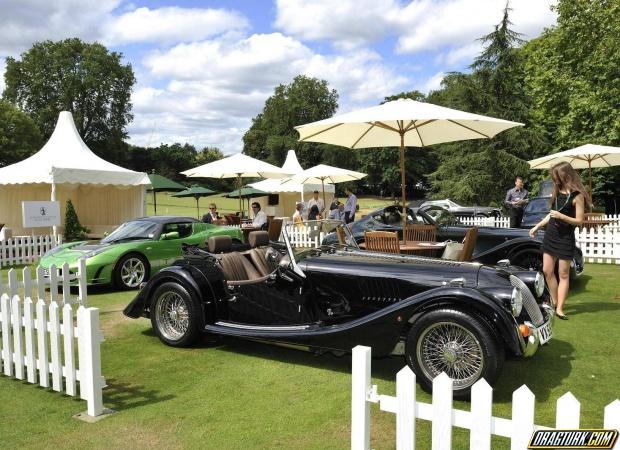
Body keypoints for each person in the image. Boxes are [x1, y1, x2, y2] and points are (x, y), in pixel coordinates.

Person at [529, 162, 588, 320]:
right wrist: (537, 226)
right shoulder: (556, 191)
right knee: (548, 271)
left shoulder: (577, 196)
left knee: (563, 274)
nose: (554, 179)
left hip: (565, 237)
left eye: (556, 176)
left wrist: (562, 217)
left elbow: (579, 221)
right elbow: (551, 214)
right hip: (551, 234)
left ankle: (560, 308)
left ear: (566, 175)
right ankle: (554, 301)